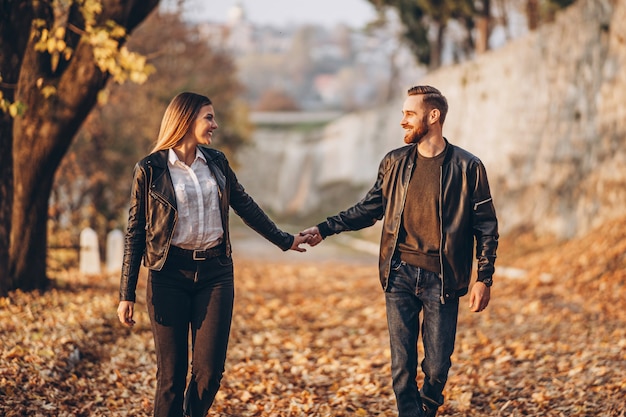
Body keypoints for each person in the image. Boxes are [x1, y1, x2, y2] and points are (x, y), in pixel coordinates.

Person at [301, 85, 498, 417]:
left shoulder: (468, 167)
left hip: (443, 278)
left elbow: (486, 226)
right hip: (399, 273)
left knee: (436, 366)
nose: (403, 121)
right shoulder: (394, 162)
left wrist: (485, 278)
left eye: (409, 113)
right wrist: (325, 228)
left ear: (433, 116)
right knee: (402, 367)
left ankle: (427, 407)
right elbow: (369, 208)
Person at [117, 92, 311, 417]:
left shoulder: (217, 163)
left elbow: (245, 205)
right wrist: (127, 293)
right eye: (208, 117)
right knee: (171, 378)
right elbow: (136, 231)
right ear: (186, 119)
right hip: (168, 277)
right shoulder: (150, 169)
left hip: (215, 274)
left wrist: (284, 239)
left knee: (209, 373)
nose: (214, 125)